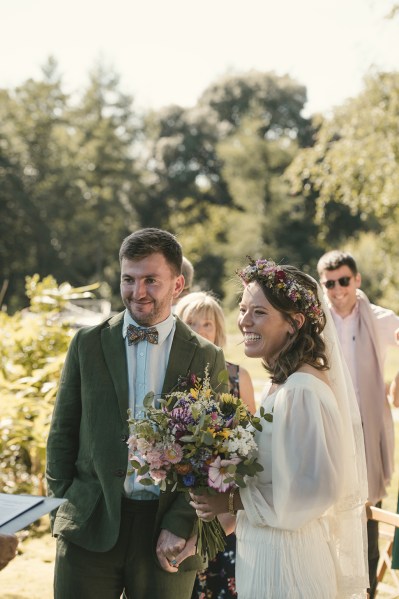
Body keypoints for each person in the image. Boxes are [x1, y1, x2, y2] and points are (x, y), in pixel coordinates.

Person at [46, 228, 227, 599]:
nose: (137, 292)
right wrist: (63, 508)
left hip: (166, 532)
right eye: (129, 279)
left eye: (150, 280)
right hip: (89, 524)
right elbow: (62, 434)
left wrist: (181, 522)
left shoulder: (207, 356)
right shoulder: (87, 344)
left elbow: (216, 451)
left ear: (177, 285)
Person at [190, 257, 369, 599]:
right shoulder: (284, 384)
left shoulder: (301, 390)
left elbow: (310, 491)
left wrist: (228, 502)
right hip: (267, 552)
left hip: (289, 564)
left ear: (294, 323)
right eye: (243, 309)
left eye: (259, 312)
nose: (244, 321)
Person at [317, 250, 399, 598]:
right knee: (327, 505)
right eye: (330, 283)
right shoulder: (317, 321)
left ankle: (365, 589)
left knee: (362, 507)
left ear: (357, 280)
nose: (338, 290)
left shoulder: (380, 319)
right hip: (327, 424)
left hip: (365, 427)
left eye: (344, 281)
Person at [175, 290, 255, 598]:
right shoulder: (172, 380)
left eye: (206, 324)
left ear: (218, 329)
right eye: (190, 322)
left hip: (226, 509)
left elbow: (251, 445)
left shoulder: (238, 377)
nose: (198, 330)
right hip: (178, 507)